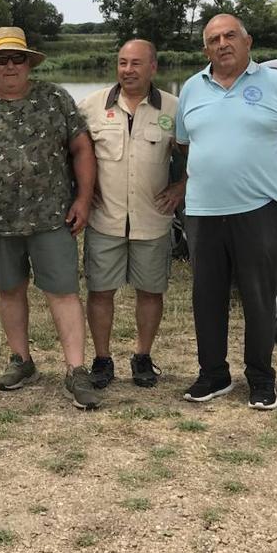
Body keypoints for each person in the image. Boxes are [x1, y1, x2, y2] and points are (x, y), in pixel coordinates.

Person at [0, 26, 100, 410]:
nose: (10, 66)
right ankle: (22, 360)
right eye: (2, 59)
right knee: (10, 290)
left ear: (29, 62)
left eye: (18, 58)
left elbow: (81, 148)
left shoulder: (56, 99)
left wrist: (83, 198)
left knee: (63, 292)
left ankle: (76, 370)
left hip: (52, 218)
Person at [175, 14, 277, 411]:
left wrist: (263, 176)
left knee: (259, 297)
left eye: (230, 35)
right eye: (213, 39)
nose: (222, 44)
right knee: (207, 296)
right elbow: (185, 145)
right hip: (202, 211)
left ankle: (261, 379)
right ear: (206, 50)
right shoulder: (191, 89)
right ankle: (213, 373)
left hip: (259, 209)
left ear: (247, 41)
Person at [78, 39, 184, 389]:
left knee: (151, 292)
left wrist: (181, 188)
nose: (128, 70)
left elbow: (198, 153)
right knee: (100, 291)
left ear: (154, 67)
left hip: (152, 219)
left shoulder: (174, 108)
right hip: (104, 218)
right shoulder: (91, 107)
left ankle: (142, 357)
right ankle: (102, 359)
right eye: (122, 63)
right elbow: (72, 153)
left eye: (136, 63)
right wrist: (82, 187)